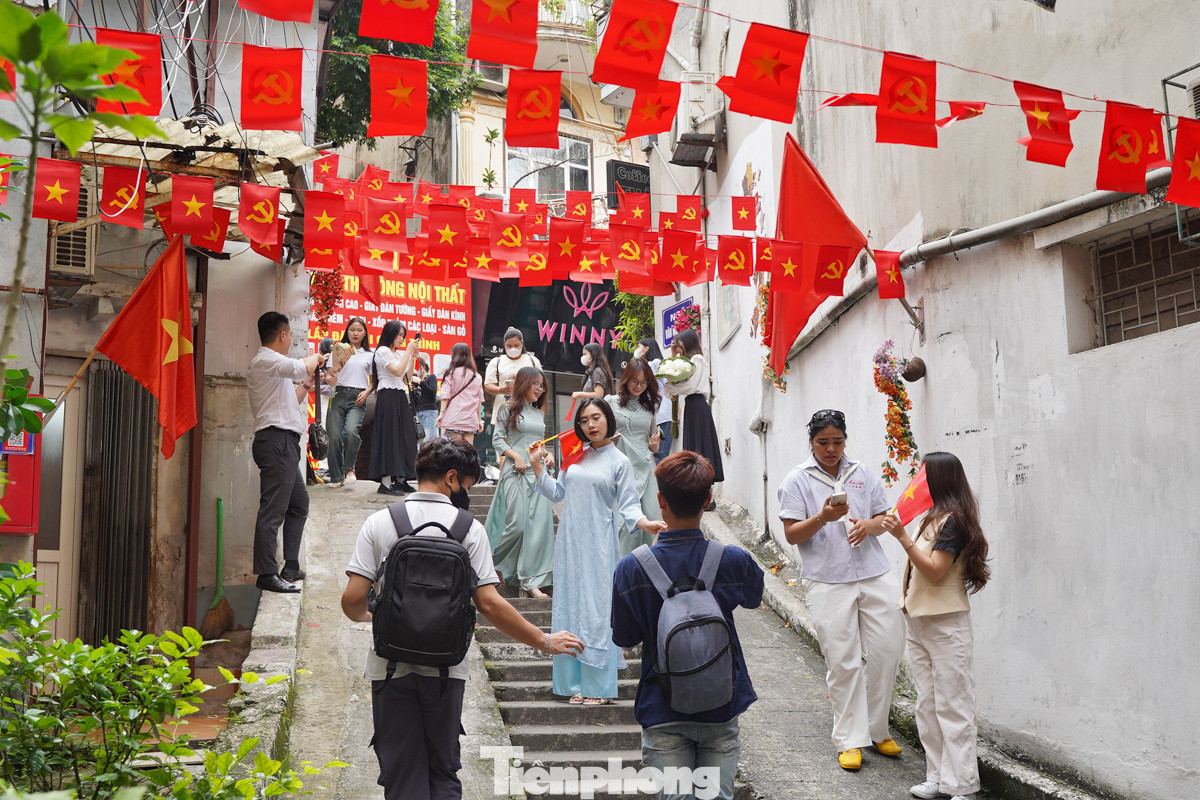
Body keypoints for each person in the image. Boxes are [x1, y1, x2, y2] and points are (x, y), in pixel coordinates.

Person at [341, 438, 584, 800]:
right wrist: (544, 642)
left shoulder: (380, 522)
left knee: (401, 774)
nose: (465, 494)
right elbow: (489, 603)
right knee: (442, 773)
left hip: (389, 668)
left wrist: (376, 616)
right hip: (446, 673)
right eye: (467, 485)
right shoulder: (469, 529)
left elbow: (351, 600)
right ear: (451, 477)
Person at [612, 451, 765, 800]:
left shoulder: (632, 568)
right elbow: (755, 597)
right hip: (720, 707)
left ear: (660, 500)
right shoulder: (731, 559)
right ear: (708, 500)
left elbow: (624, 636)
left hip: (661, 706)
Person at [776, 409, 906, 770]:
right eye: (823, 442)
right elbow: (791, 533)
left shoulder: (861, 472)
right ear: (812, 442)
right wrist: (822, 518)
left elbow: (884, 517)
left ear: (845, 439)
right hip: (827, 578)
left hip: (874, 572)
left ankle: (878, 729)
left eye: (837, 441)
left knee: (887, 650)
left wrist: (868, 525)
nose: (831, 449)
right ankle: (850, 739)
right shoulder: (797, 480)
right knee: (843, 660)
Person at [529, 399, 667, 704]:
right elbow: (557, 493)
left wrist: (646, 523)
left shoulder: (620, 461)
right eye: (584, 421)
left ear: (608, 419)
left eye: (596, 418)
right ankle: (573, 683)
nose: (591, 425)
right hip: (568, 544)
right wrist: (538, 465)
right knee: (569, 605)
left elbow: (629, 504)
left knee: (597, 611)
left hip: (600, 546)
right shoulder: (575, 455)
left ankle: (599, 687)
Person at [881, 453, 991, 800]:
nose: (918, 480)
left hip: (946, 624)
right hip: (920, 621)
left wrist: (902, 537)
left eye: (924, 473)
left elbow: (933, 570)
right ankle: (938, 777)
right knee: (927, 705)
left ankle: (962, 786)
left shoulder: (954, 521)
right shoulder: (933, 518)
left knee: (953, 705)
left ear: (939, 479)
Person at [246, 311, 324, 593]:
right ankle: (267, 573)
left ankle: (291, 564)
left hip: (283, 442)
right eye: (290, 335)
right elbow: (300, 366)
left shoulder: (271, 366)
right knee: (273, 511)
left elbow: (291, 397)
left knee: (299, 503)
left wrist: (306, 384)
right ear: (282, 335)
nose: (291, 339)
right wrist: (318, 356)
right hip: (276, 442)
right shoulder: (267, 359)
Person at [485, 367, 555, 598]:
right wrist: (515, 457)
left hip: (537, 473)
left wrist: (547, 455)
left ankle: (530, 581)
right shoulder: (507, 409)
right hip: (515, 472)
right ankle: (485, 564)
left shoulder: (538, 413)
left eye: (542, 385)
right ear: (524, 383)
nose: (539, 389)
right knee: (518, 524)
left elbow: (538, 444)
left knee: (537, 530)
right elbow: (497, 440)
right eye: (536, 384)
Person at [605, 358, 663, 556]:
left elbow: (652, 439)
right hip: (618, 468)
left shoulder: (650, 407)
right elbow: (599, 436)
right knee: (623, 522)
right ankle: (621, 569)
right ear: (626, 379)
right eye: (635, 381)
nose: (639, 386)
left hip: (646, 467)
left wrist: (654, 446)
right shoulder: (610, 402)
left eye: (644, 382)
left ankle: (644, 570)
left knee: (651, 515)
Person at [662, 329, 724, 489]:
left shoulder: (697, 358)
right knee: (696, 447)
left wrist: (670, 390)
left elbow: (690, 385)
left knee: (700, 446)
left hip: (697, 405)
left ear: (687, 342)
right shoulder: (689, 360)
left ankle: (706, 492)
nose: (677, 345)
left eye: (679, 342)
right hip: (692, 405)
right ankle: (700, 488)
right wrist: (674, 354)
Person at [370, 321, 420, 497]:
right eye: (399, 335)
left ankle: (401, 479)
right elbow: (397, 371)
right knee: (390, 437)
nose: (401, 339)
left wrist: (412, 355)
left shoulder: (398, 354)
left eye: (403, 336)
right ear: (390, 333)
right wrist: (408, 351)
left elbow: (407, 375)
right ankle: (386, 482)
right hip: (388, 396)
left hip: (400, 395)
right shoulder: (382, 351)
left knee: (406, 436)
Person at [324, 318, 373, 488]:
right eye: (352, 329)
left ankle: (349, 468)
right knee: (334, 437)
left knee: (351, 432)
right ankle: (336, 478)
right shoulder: (338, 349)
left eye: (359, 330)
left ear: (364, 333)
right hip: (337, 395)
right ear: (347, 331)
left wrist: (366, 393)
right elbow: (329, 375)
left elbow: (373, 382)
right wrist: (329, 378)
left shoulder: (369, 355)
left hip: (358, 397)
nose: (355, 333)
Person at [483, 327, 542, 428]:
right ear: (504, 345)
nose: (513, 349)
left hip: (528, 410)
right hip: (504, 411)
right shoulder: (496, 362)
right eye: (509, 346)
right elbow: (488, 385)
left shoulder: (533, 361)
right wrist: (500, 389)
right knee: (504, 440)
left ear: (522, 344)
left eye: (516, 345)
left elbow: (541, 383)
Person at [634, 338, 673, 464]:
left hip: (663, 413)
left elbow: (667, 383)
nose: (637, 349)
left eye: (639, 346)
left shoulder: (656, 362)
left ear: (646, 348)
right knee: (654, 451)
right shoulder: (646, 365)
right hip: (654, 413)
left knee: (660, 453)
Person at [437, 342, 484, 445]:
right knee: (468, 454)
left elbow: (445, 396)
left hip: (454, 419)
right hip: (470, 420)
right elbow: (479, 400)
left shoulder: (451, 373)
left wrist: (441, 414)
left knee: (455, 454)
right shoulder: (477, 376)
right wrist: (479, 420)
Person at [411, 353, 439, 441]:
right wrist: (412, 391)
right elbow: (414, 403)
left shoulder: (431, 377)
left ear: (423, 366)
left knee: (430, 440)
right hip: (419, 414)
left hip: (429, 412)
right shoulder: (416, 382)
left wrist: (421, 383)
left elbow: (432, 393)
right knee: (420, 441)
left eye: (417, 367)